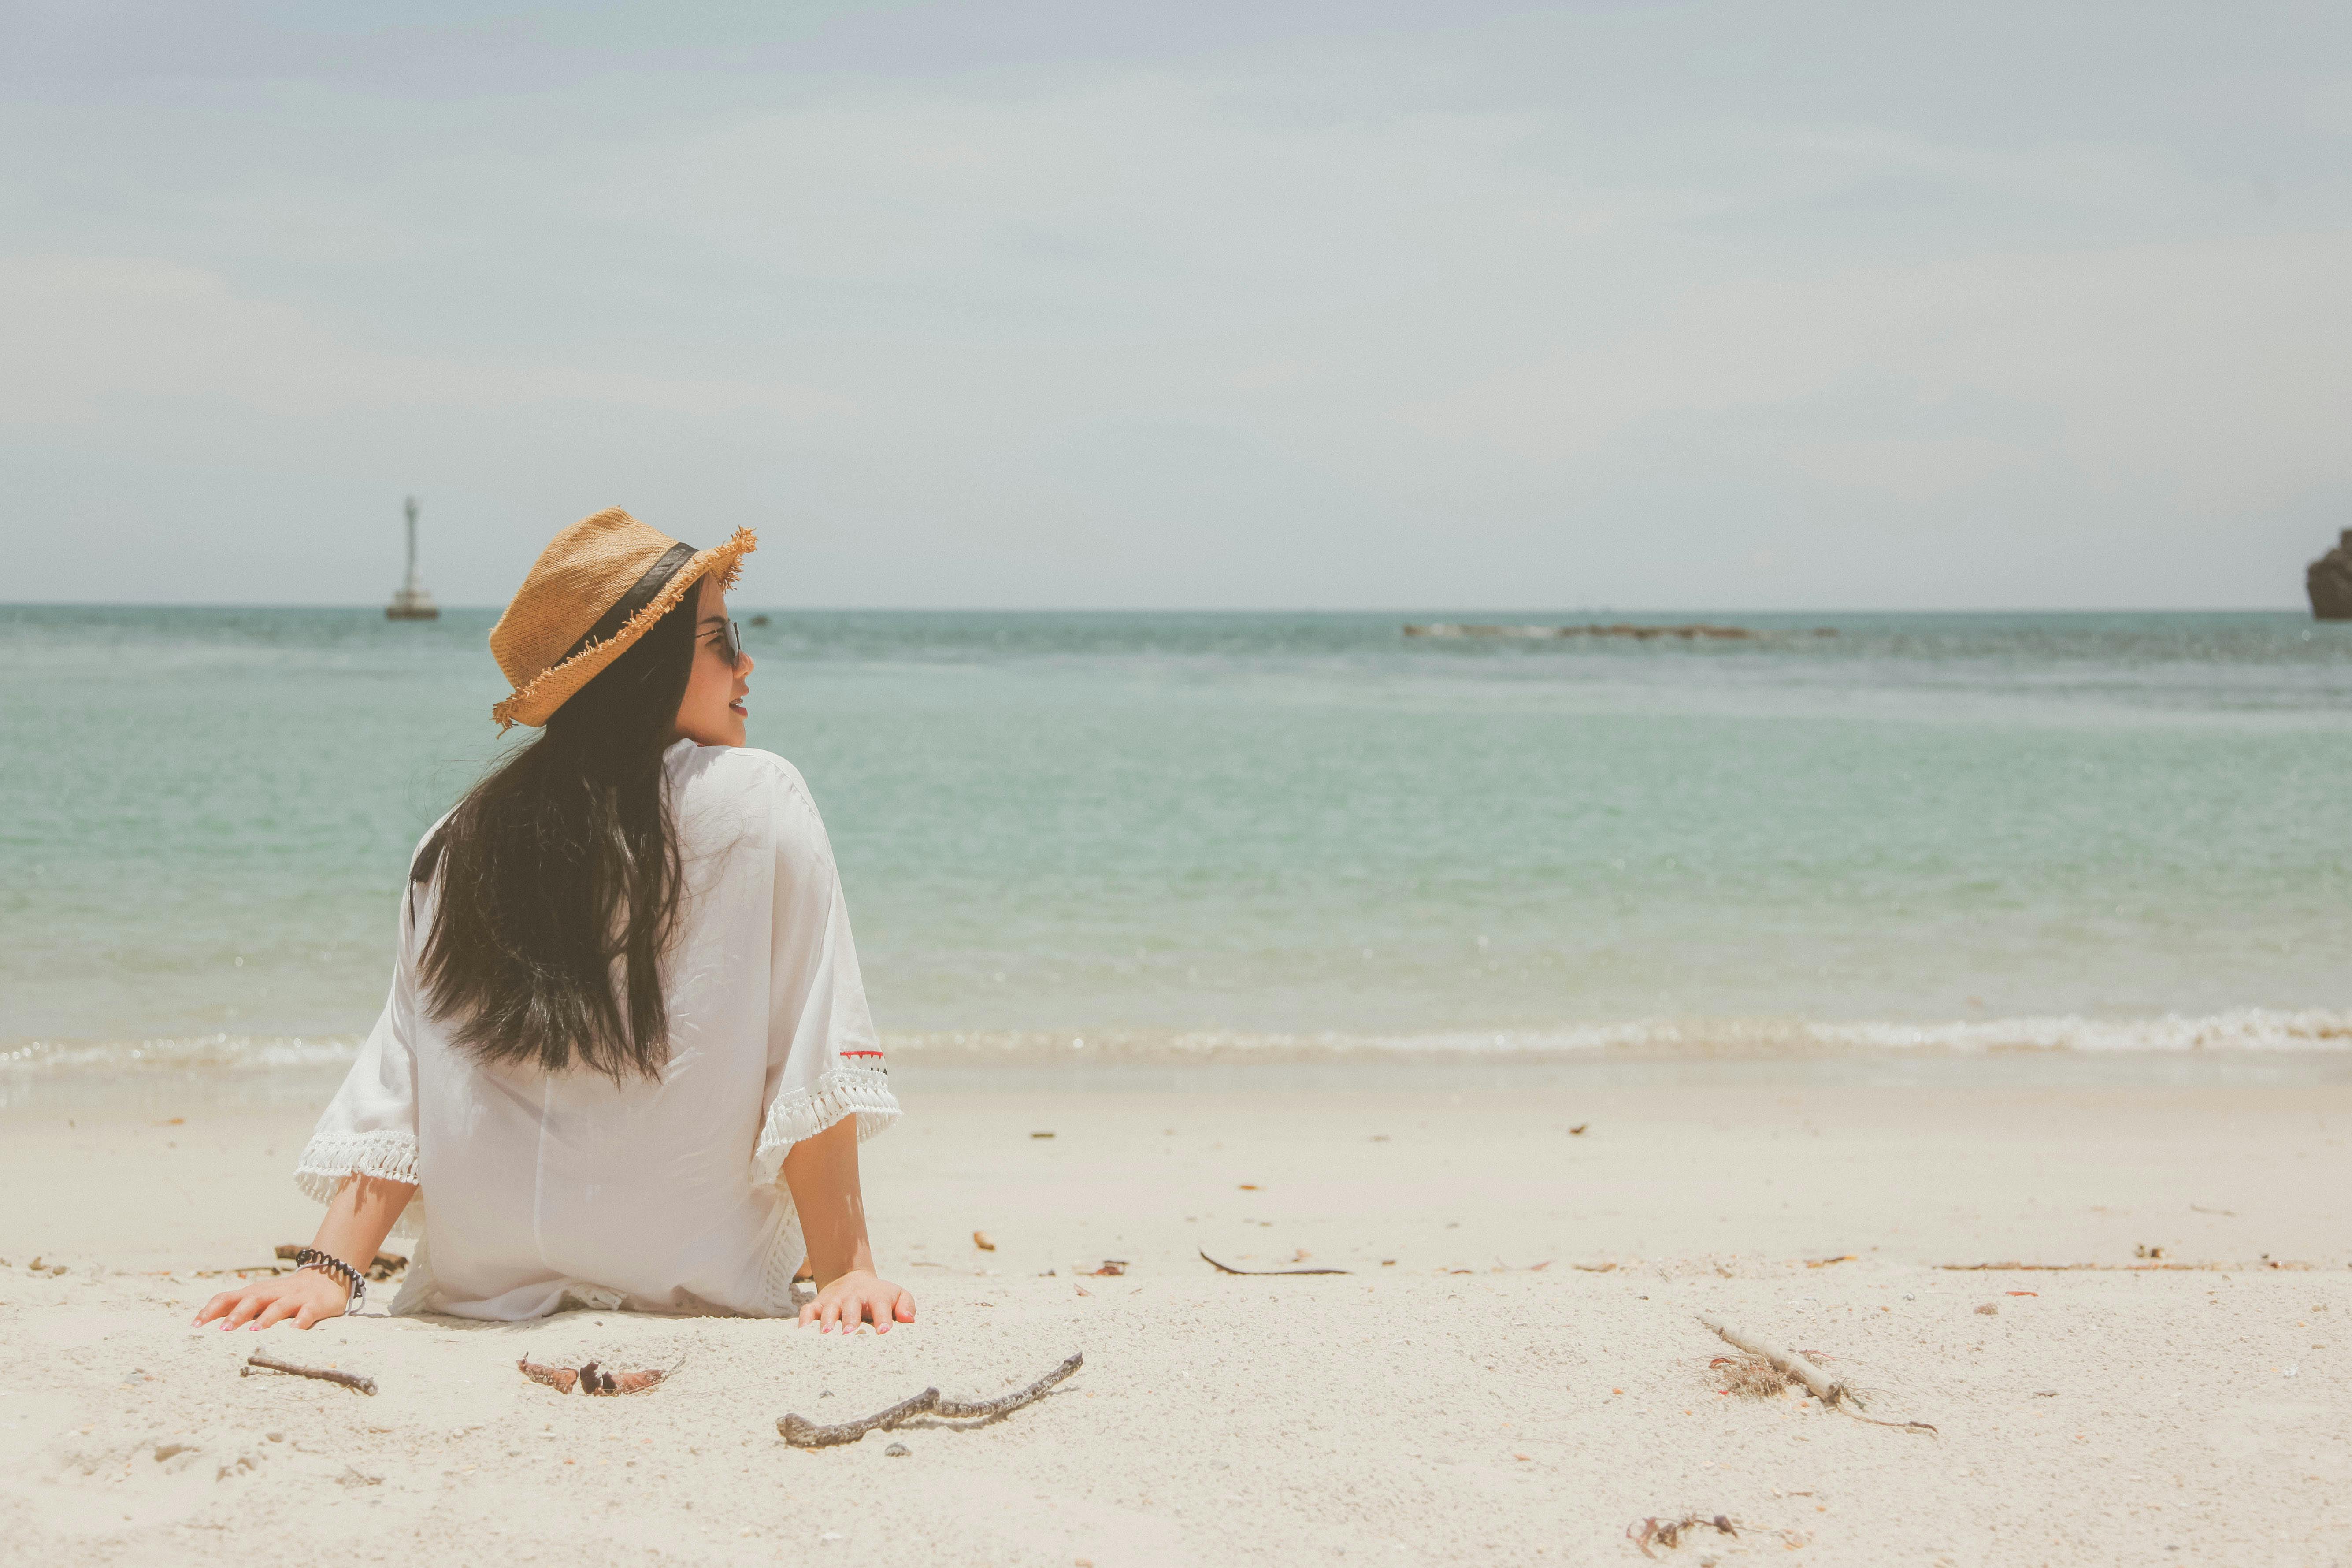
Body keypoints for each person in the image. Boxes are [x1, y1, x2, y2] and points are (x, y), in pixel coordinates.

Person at [193, 508, 910, 1334]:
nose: (746, 663)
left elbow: (404, 1069)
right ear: (646, 667)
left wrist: (329, 1275)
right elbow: (809, 1038)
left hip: (481, 1278)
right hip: (685, 1268)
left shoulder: (459, 840)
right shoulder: (759, 794)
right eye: (719, 639)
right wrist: (846, 1272)